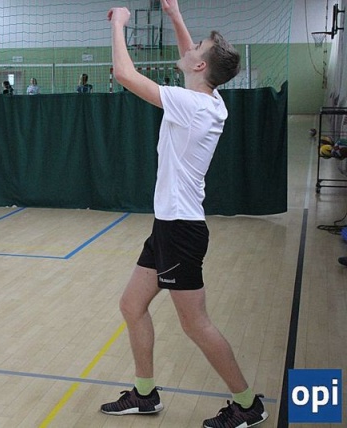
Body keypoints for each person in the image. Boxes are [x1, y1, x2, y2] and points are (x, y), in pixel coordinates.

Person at [102, 2, 268, 428]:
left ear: (199, 65)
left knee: (195, 324)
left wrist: (120, 24)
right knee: (132, 305)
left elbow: (124, 75)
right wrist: (175, 15)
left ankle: (248, 403)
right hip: (169, 226)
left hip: (181, 231)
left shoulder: (190, 105)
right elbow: (191, 59)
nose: (190, 47)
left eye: (197, 47)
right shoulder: (210, 98)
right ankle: (144, 394)